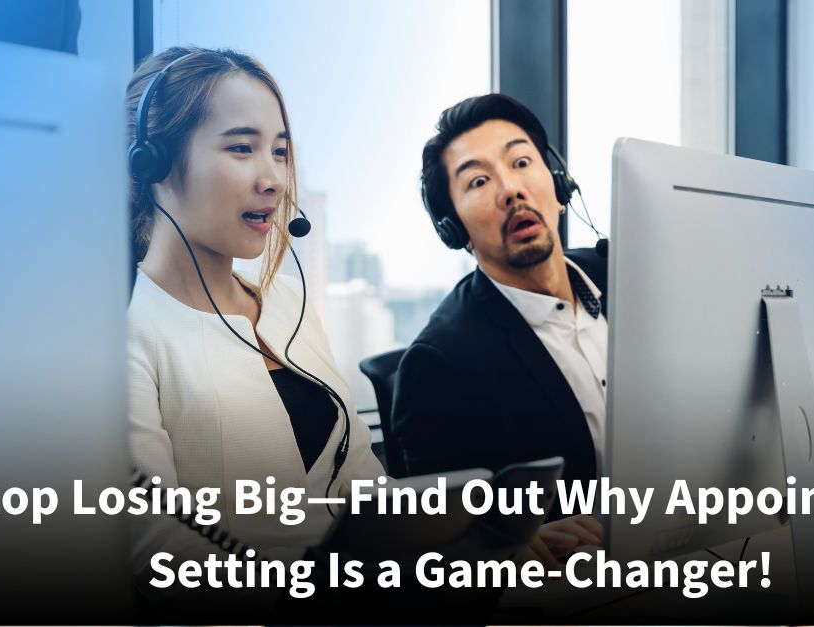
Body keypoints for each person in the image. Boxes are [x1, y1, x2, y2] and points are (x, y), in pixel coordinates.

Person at [124, 46, 384, 572]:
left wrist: (480, 541)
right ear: (154, 161)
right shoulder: (124, 330)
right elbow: (162, 550)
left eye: (280, 152)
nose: (274, 180)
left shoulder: (287, 303)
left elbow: (365, 482)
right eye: (242, 148)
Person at [393, 94, 609, 537]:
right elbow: (440, 544)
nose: (510, 189)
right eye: (477, 182)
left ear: (560, 186)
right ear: (455, 230)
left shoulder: (629, 275)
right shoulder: (439, 365)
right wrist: (507, 549)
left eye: (522, 162)